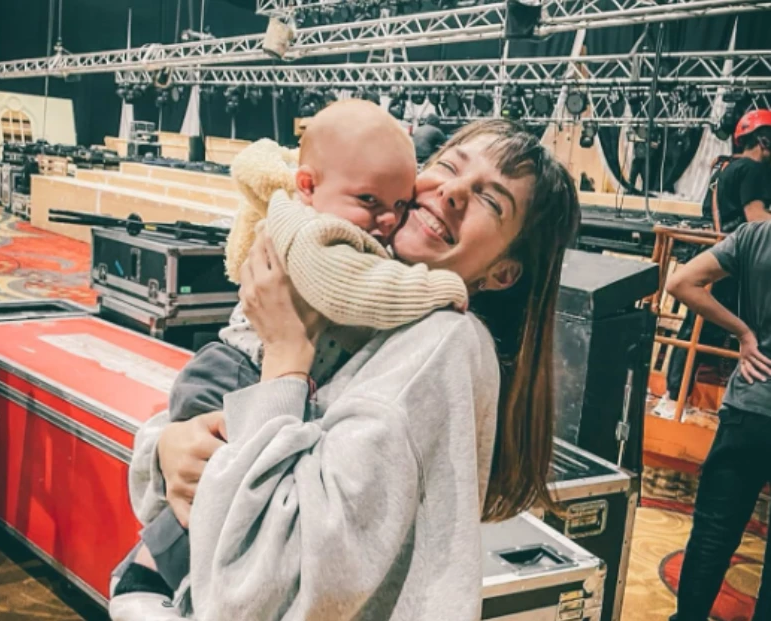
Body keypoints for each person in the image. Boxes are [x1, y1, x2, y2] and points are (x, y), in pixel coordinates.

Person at [109, 119, 582, 620]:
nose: (453, 191)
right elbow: (210, 418)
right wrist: (170, 448)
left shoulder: (442, 343)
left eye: (491, 200)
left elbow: (261, 594)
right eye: (448, 166)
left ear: (503, 272)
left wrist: (287, 354)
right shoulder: (365, 285)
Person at [666, 220, 771, 621]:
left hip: (748, 407)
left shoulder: (755, 236)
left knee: (713, 535)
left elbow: (680, 283)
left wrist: (743, 333)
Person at [654, 109, 771, 419]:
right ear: (763, 141)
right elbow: (757, 218)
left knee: (695, 329)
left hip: (712, 257)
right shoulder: (754, 170)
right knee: (709, 332)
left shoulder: (724, 167)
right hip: (732, 263)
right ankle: (675, 398)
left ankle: (673, 397)